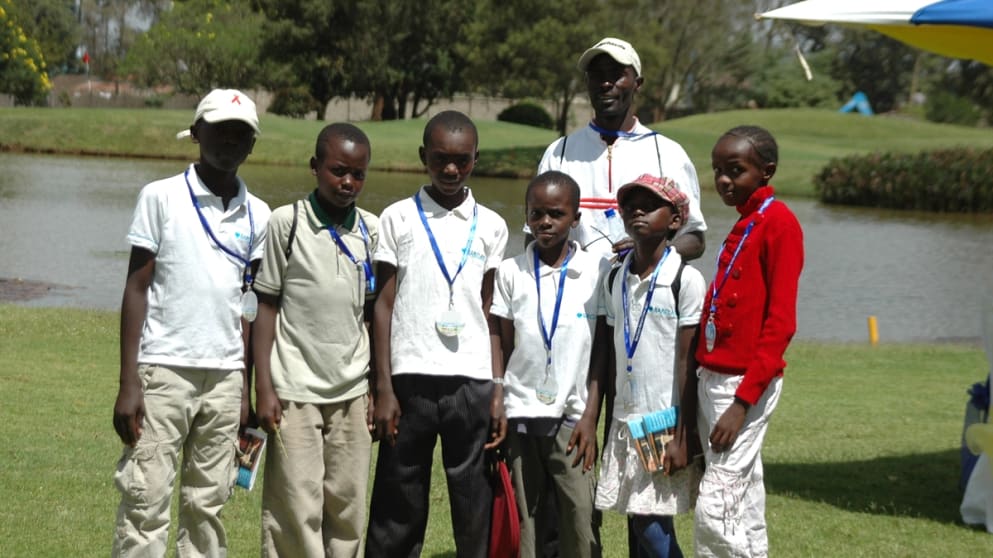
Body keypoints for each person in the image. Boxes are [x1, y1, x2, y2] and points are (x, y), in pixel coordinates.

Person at [111, 88, 271, 557]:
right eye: (219, 130)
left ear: (252, 145)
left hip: (225, 378)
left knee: (208, 503)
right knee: (146, 497)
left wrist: (245, 386)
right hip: (163, 371)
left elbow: (250, 304)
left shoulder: (258, 213)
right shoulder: (159, 197)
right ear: (197, 132)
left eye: (241, 135)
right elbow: (136, 288)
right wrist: (128, 382)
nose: (229, 142)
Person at [365, 110, 510, 558]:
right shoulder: (397, 218)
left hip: (470, 380)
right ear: (423, 156)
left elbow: (492, 314)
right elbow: (382, 306)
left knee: (473, 500)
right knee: (399, 496)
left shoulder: (491, 225)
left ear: (475, 159)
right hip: (409, 380)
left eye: (462, 161)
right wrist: (382, 385)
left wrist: (498, 388)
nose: (450, 170)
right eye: (441, 159)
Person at [252, 123, 378, 557]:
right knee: (296, 503)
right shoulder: (286, 223)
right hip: (293, 390)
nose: (348, 182)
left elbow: (373, 314)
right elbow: (265, 308)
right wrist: (264, 387)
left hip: (353, 390)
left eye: (358, 174)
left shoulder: (371, 230)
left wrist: (378, 388)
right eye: (338, 170)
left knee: (347, 504)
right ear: (315, 167)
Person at [580, 174, 705, 558]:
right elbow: (607, 354)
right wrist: (591, 415)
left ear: (674, 220)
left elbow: (688, 362)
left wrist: (684, 435)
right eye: (630, 204)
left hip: (664, 421)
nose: (637, 211)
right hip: (625, 419)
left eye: (649, 205)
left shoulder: (685, 279)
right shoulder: (615, 277)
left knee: (650, 525)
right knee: (640, 521)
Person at [694, 125, 804, 557]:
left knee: (716, 500)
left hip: (743, 386)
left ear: (766, 172)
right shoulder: (746, 221)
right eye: (718, 170)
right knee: (743, 489)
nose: (723, 180)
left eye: (735, 170)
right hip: (714, 378)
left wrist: (742, 403)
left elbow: (781, 323)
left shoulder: (780, 223)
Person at [491, 171, 608, 558]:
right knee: (528, 519)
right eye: (536, 213)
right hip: (521, 414)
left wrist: (591, 416)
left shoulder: (596, 272)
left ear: (575, 218)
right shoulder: (511, 271)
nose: (544, 222)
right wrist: (501, 396)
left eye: (556, 214)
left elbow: (601, 353)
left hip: (572, 420)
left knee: (579, 515)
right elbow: (505, 343)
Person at [537, 37, 707, 263]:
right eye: (597, 75)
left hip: (642, 292)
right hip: (572, 293)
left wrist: (651, 254)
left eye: (616, 74)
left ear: (637, 83)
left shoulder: (668, 154)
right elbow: (534, 234)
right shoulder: (559, 153)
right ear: (587, 82)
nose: (605, 83)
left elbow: (695, 237)